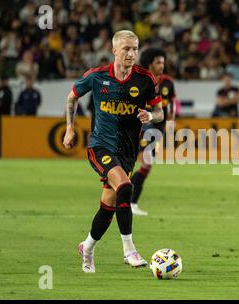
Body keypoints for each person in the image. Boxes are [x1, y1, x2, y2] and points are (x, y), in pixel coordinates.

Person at [62, 30, 163, 273]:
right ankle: (129, 249)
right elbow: (71, 98)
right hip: (100, 146)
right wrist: (69, 129)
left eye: (135, 49)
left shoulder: (146, 79)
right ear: (114, 50)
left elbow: (160, 112)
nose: (131, 53)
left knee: (108, 205)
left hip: (126, 152)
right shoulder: (97, 77)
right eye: (126, 49)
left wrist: (150, 115)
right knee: (126, 187)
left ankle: (86, 247)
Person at [130, 48, 176, 216]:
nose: (162, 66)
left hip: (158, 125)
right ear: (150, 63)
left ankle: (126, 194)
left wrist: (171, 119)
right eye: (158, 62)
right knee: (145, 163)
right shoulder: (140, 80)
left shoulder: (168, 82)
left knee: (146, 166)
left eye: (163, 62)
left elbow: (172, 103)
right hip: (142, 125)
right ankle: (130, 200)